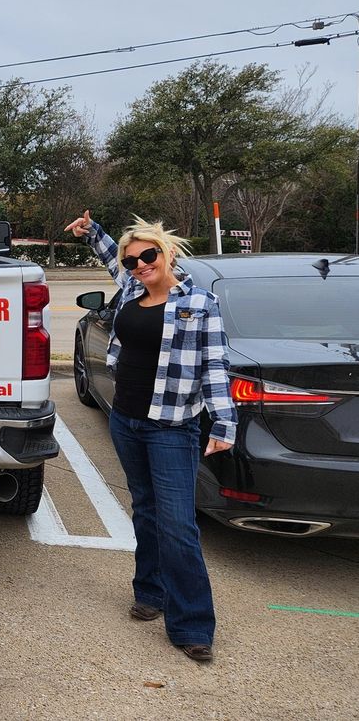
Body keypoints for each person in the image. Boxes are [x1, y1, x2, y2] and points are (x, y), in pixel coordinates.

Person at [65, 209, 236, 663]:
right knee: (144, 508)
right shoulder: (130, 290)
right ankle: (150, 592)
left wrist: (223, 422)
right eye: (133, 260)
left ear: (168, 253)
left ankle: (192, 625)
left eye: (149, 256)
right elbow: (112, 258)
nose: (140, 265)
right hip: (126, 420)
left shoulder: (198, 303)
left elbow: (215, 365)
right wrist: (92, 232)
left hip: (171, 426)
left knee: (178, 524)